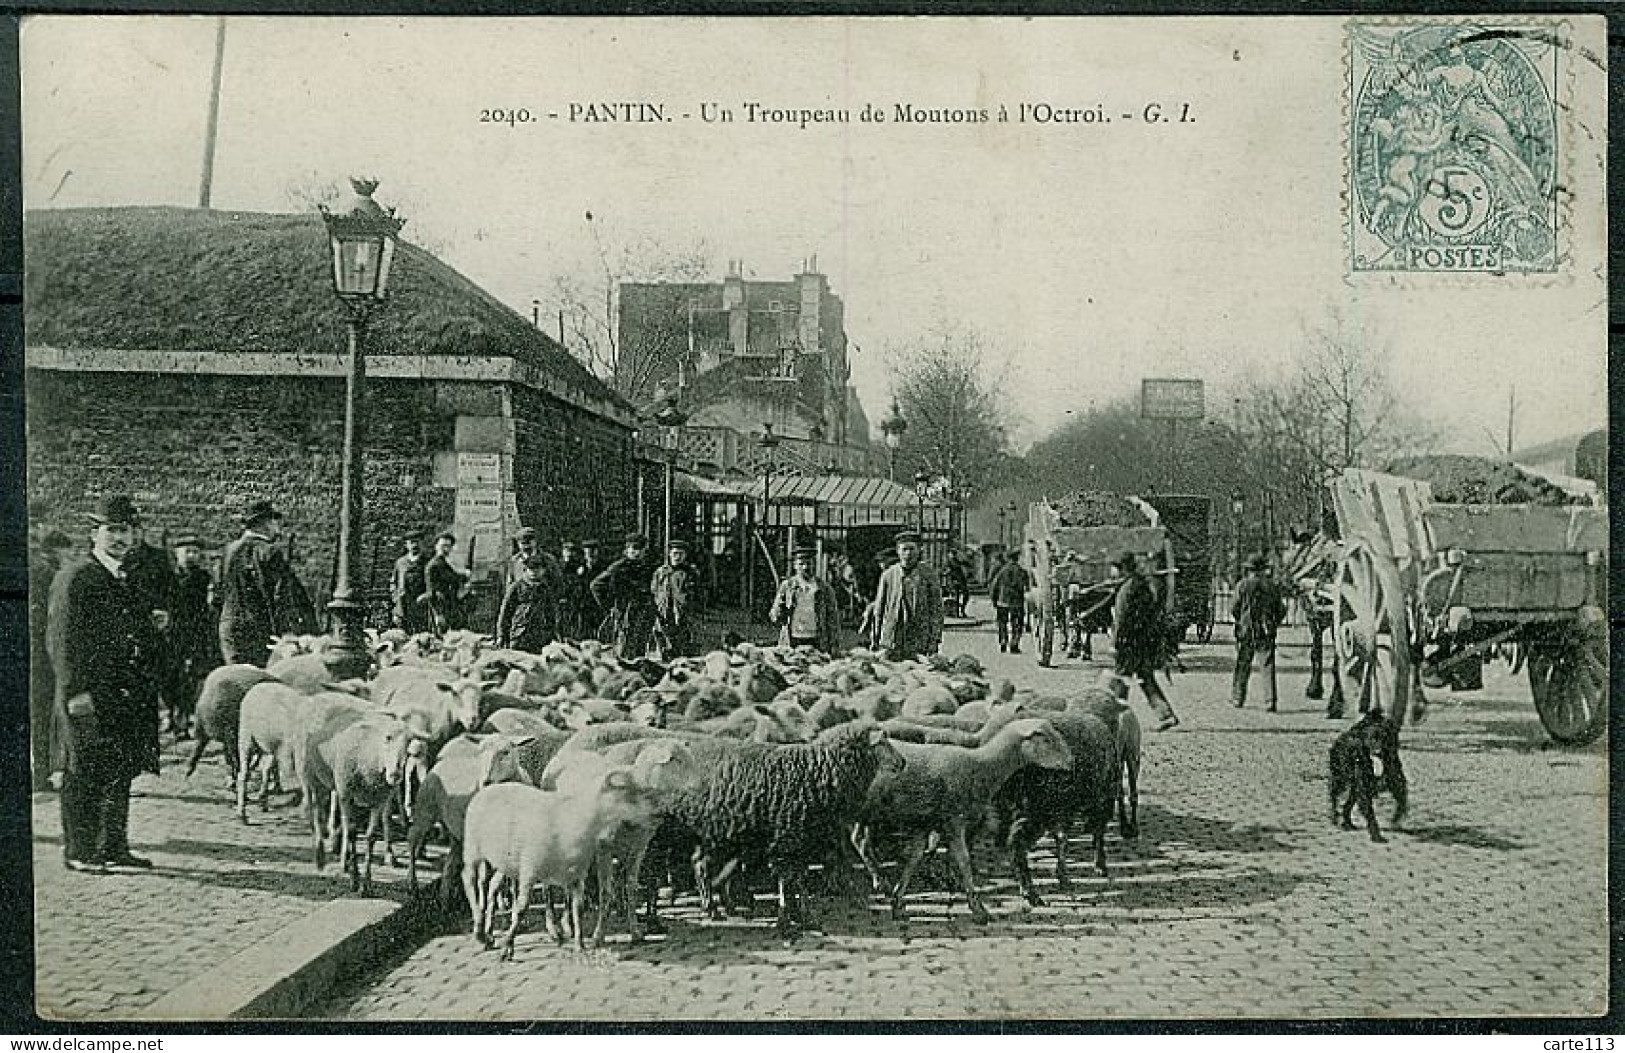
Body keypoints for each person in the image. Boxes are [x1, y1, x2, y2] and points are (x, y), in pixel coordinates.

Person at [48, 494, 163, 873]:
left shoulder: (118, 576)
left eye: (126, 531)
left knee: (118, 768)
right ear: (94, 534)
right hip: (88, 694)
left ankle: (113, 844)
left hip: (119, 693)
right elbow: (62, 641)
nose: (120, 538)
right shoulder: (78, 576)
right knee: (83, 770)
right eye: (112, 530)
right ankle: (79, 850)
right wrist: (74, 693)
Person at [218, 500, 309, 667]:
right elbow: (281, 596)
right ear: (264, 523)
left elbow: (218, 592)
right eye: (274, 521)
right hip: (258, 629)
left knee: (237, 679)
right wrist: (287, 633)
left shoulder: (228, 551)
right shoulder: (269, 551)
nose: (277, 527)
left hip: (229, 627)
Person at [1111, 551, 1180, 731]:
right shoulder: (1143, 585)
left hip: (1128, 643)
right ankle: (1166, 715)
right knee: (1146, 679)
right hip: (1143, 641)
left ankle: (1114, 719)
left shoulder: (1126, 589)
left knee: (1122, 679)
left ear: (1123, 569)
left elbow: (1122, 619)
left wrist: (1116, 643)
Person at [29, 530, 74, 791]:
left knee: (44, 712)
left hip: (42, 652)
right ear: (57, 550)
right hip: (43, 654)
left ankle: (45, 769)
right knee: (43, 712)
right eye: (67, 550)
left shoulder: (41, 569)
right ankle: (42, 771)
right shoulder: (46, 573)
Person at [167, 534, 218, 739]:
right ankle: (170, 716)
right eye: (187, 551)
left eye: (195, 552)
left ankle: (182, 720)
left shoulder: (203, 578)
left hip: (194, 634)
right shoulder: (168, 577)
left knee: (188, 678)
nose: (191, 556)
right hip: (171, 634)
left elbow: (207, 606)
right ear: (176, 553)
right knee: (168, 677)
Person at [869, 530, 943, 662]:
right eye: (904, 549)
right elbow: (879, 610)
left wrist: (934, 640)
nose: (908, 554)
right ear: (898, 551)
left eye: (912, 549)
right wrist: (875, 638)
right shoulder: (888, 575)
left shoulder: (928, 576)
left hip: (919, 640)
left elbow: (936, 610)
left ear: (919, 550)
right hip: (892, 639)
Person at [1231, 552, 1287, 712]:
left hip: (1247, 629)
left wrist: (1241, 620)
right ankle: (1270, 700)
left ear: (1249, 569)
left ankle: (1238, 697)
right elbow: (1281, 609)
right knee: (1267, 665)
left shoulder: (1242, 585)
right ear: (1263, 570)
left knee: (1243, 664)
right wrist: (1274, 623)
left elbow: (1234, 607)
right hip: (1266, 629)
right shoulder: (1272, 586)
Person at [590, 533, 657, 659]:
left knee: (640, 649)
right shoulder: (618, 568)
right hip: (625, 612)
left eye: (641, 549)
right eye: (634, 548)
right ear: (627, 549)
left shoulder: (648, 567)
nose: (637, 553)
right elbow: (596, 585)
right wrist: (609, 607)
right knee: (624, 649)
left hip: (643, 613)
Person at [771, 545, 842, 653]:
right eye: (801, 564)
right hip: (792, 640)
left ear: (814, 564)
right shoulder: (787, 586)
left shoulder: (824, 589)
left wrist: (834, 644)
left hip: (816, 640)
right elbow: (774, 615)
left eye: (809, 563)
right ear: (795, 566)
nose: (805, 567)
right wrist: (780, 611)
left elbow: (833, 619)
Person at [495, 553, 557, 653]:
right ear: (526, 570)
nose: (534, 572)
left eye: (538, 568)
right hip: (519, 635)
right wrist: (501, 635)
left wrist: (552, 634)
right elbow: (505, 613)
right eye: (531, 569)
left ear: (543, 571)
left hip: (539, 637)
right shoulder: (516, 587)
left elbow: (551, 614)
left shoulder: (545, 589)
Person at [650, 539, 697, 660]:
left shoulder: (689, 573)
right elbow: (654, 590)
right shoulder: (661, 572)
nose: (677, 557)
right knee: (663, 639)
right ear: (669, 554)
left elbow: (696, 594)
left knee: (682, 642)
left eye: (681, 554)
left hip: (682, 612)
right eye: (675, 553)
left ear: (685, 556)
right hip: (663, 611)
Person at [422, 532, 470, 634]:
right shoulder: (434, 565)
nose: (445, 549)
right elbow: (432, 592)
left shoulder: (443, 563)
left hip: (449, 607)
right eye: (443, 546)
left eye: (448, 546)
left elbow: (453, 577)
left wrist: (463, 576)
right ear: (436, 546)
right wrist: (438, 614)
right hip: (440, 608)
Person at [987, 549, 1032, 654]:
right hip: (1017, 602)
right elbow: (1027, 588)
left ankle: (1003, 641)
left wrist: (994, 600)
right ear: (1017, 558)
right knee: (1017, 623)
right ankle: (1014, 644)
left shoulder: (1002, 571)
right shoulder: (1022, 571)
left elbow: (994, 586)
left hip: (1002, 601)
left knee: (1002, 623)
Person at [390, 534, 429, 635]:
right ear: (406, 545)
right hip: (404, 603)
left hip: (421, 603)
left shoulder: (427, 561)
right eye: (411, 542)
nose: (414, 545)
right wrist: (395, 600)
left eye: (417, 542)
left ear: (421, 543)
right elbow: (394, 582)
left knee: (421, 633)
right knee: (403, 633)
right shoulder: (400, 562)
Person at [555, 539, 587, 641]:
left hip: (574, 601)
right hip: (560, 600)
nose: (569, 553)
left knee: (574, 624)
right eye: (566, 550)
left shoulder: (578, 566)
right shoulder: (557, 566)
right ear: (562, 551)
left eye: (571, 551)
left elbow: (580, 584)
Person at [578, 538, 607, 639]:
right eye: (587, 551)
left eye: (593, 551)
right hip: (584, 606)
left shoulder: (603, 568)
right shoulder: (580, 568)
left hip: (599, 605)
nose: (590, 554)